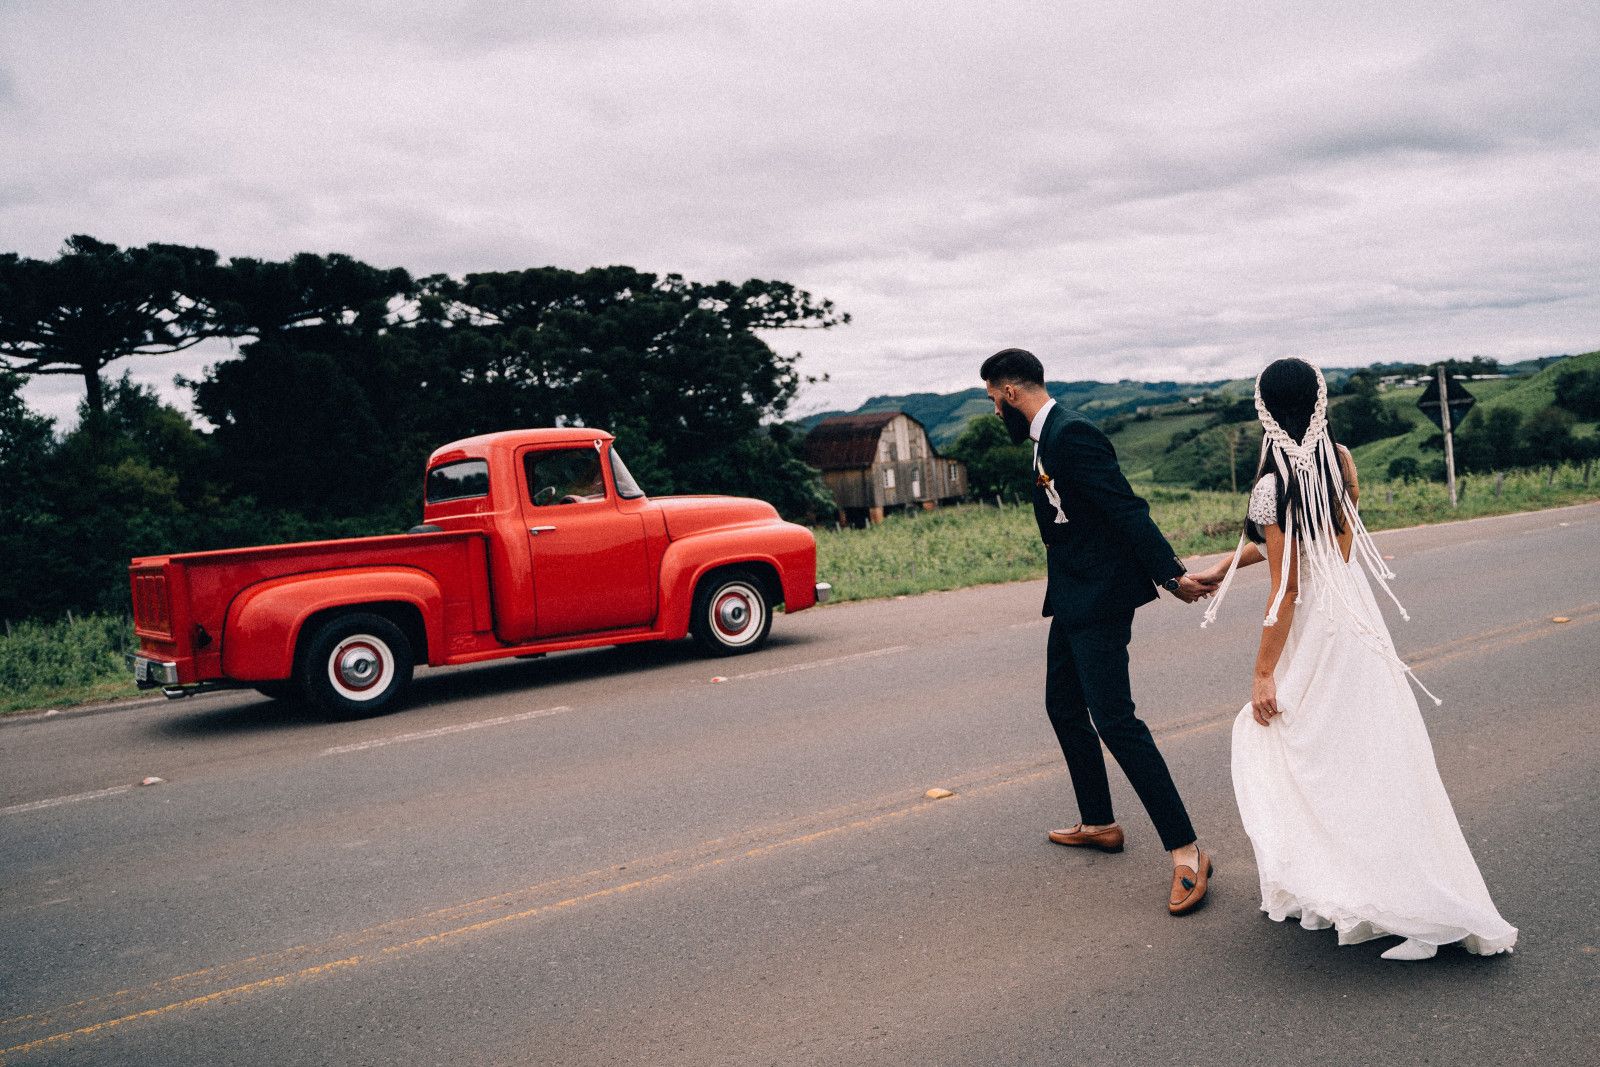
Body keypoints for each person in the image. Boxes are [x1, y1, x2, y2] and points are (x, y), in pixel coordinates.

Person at [1194, 357, 1517, 960]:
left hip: (1313, 632)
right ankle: (1376, 888)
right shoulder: (1340, 462)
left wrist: (1263, 670)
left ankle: (1350, 887)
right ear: (1318, 403)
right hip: (1355, 625)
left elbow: (1288, 584)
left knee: (1281, 741)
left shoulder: (1270, 484)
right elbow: (1314, 546)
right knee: (1371, 755)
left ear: (1265, 408)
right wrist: (1224, 564)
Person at [980, 348, 1220, 915]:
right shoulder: (1046, 436)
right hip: (1072, 593)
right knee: (1063, 706)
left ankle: (1187, 853)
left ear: (1011, 392)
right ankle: (1100, 822)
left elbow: (1125, 509)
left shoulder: (1074, 434)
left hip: (1102, 597)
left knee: (1116, 720)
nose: (994, 411)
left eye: (993, 400)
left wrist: (1170, 574)